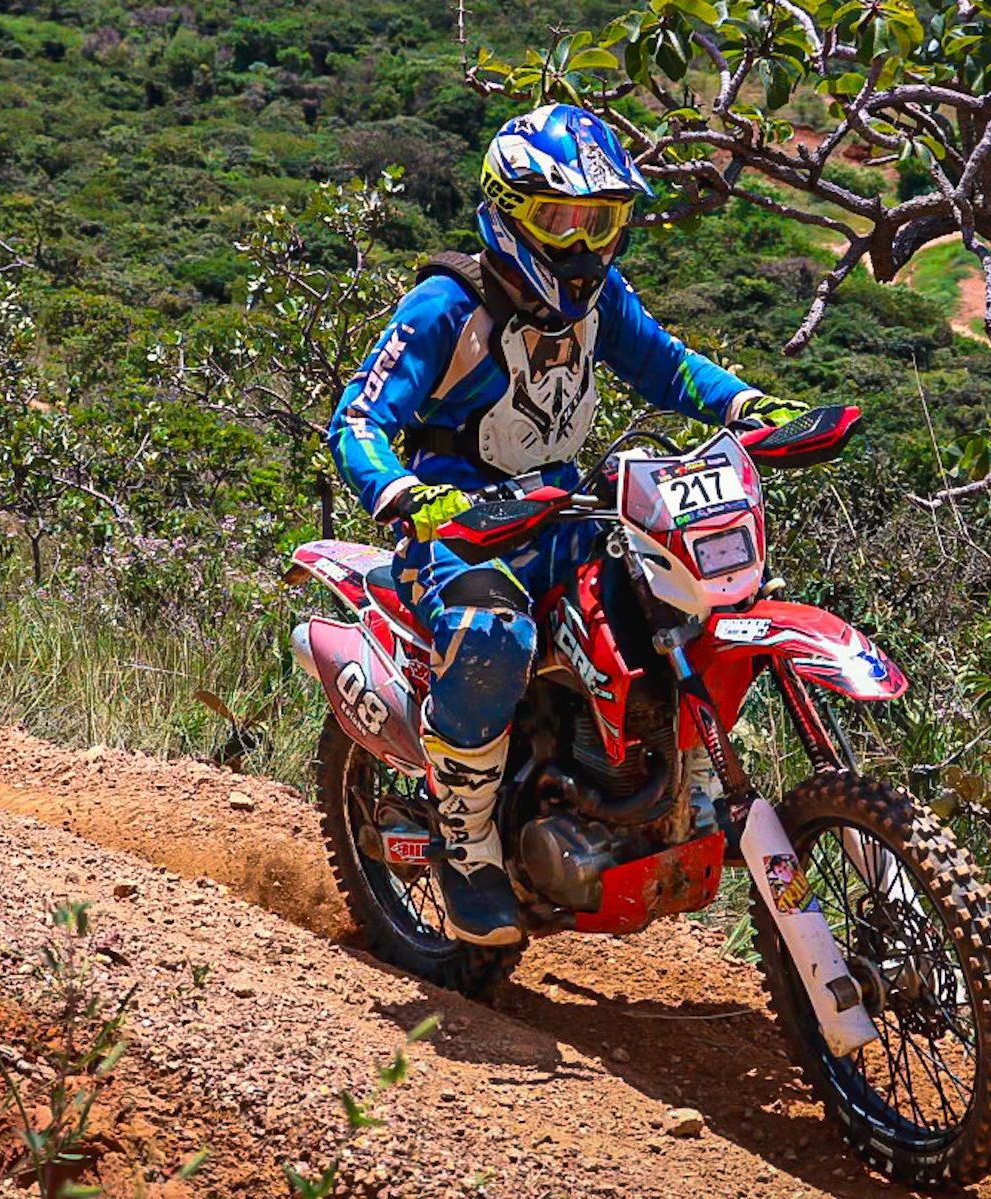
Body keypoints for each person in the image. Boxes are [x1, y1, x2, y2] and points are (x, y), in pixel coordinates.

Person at [328, 103, 807, 947]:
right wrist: (405, 493)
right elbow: (357, 421)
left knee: (689, 596)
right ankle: (464, 841)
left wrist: (747, 405)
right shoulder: (443, 305)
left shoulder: (599, 299)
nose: (582, 245)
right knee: (492, 633)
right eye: (560, 219)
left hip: (561, 507)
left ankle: (664, 781)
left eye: (601, 220)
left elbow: (665, 364)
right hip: (459, 526)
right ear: (507, 213)